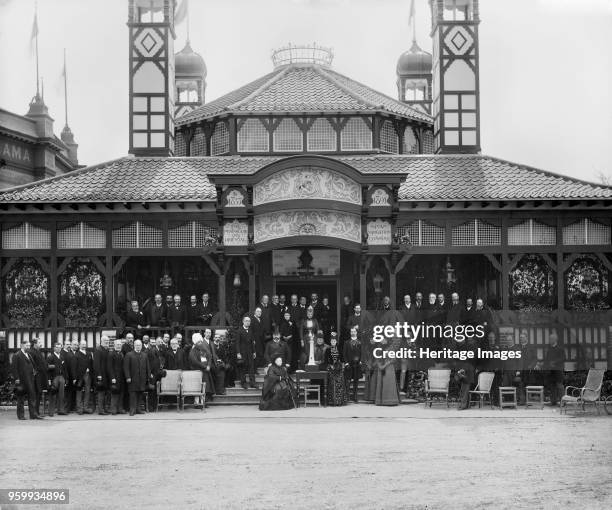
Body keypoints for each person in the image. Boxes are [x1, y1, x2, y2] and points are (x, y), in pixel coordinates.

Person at [11, 338, 41, 420]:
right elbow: (14, 368)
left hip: (30, 380)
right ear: (22, 345)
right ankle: (21, 416)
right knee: (20, 398)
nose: (28, 347)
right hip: (22, 380)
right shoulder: (17, 355)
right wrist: (16, 379)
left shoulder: (29, 354)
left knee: (32, 397)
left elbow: (32, 364)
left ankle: (33, 415)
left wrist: (34, 371)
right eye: (26, 345)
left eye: (29, 345)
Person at [123, 339, 152, 416]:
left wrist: (148, 376)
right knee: (133, 395)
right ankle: (132, 410)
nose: (138, 346)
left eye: (140, 345)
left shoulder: (144, 355)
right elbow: (126, 367)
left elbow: (147, 367)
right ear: (134, 346)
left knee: (140, 394)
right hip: (132, 379)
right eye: (137, 345)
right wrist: (128, 377)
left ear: (141, 346)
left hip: (142, 379)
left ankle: (138, 409)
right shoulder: (129, 355)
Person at [188, 332, 216, 403]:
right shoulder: (192, 351)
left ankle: (204, 401)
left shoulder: (203, 349)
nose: (200, 343)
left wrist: (209, 365)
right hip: (197, 372)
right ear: (195, 342)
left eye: (201, 341)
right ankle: (197, 403)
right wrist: (205, 366)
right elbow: (195, 362)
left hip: (205, 371)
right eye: (198, 342)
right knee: (198, 387)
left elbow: (209, 356)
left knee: (206, 387)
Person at [373, 338, 400, 406]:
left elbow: (394, 359)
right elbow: (377, 358)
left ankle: (390, 401)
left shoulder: (391, 348)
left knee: (388, 383)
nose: (383, 341)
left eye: (384, 340)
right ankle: (381, 401)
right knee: (381, 384)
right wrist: (380, 366)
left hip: (389, 368)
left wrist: (385, 365)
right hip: (381, 367)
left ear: (387, 341)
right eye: (381, 340)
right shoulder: (379, 349)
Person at [72, 339, 94, 414]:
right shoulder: (76, 355)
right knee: (79, 392)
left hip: (88, 375)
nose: (84, 346)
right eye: (82, 344)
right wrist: (75, 378)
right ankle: (79, 408)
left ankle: (86, 407)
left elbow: (91, 364)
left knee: (87, 391)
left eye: (85, 344)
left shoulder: (89, 354)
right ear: (80, 345)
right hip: (79, 376)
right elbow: (74, 367)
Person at [324, 333, 347, 406]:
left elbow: (342, 358)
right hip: (331, 369)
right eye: (332, 341)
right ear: (330, 342)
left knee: (340, 385)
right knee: (332, 384)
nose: (333, 342)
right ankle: (332, 401)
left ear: (336, 341)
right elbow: (325, 360)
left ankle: (339, 401)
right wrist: (330, 365)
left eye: (334, 341)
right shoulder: (327, 350)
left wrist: (342, 366)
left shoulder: (339, 349)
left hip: (339, 369)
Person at [544, 332, 565, 406]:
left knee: (559, 386)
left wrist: (554, 362)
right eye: (549, 339)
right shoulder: (549, 349)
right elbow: (546, 360)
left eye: (551, 339)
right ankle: (553, 401)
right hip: (551, 371)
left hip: (558, 370)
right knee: (552, 386)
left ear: (555, 340)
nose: (550, 340)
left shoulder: (560, 349)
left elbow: (563, 358)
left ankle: (563, 402)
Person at [46, 342, 67, 416]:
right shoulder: (50, 357)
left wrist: (65, 378)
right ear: (54, 348)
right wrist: (49, 380)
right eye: (57, 347)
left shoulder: (62, 357)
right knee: (53, 394)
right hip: (54, 377)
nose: (58, 349)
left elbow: (65, 369)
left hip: (61, 377)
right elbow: (47, 369)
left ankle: (60, 410)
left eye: (60, 347)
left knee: (61, 394)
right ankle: (51, 412)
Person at [236, 316, 257, 390]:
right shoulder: (239, 330)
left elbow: (252, 342)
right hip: (242, 352)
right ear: (243, 321)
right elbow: (237, 343)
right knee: (243, 368)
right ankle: (243, 383)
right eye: (246, 321)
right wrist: (238, 353)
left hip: (250, 352)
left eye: (249, 321)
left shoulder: (250, 330)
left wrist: (254, 351)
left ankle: (252, 383)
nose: (248, 322)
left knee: (251, 368)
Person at [29, 337, 48, 417]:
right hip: (36, 377)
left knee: (39, 393)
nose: (41, 344)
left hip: (41, 376)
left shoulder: (38, 351)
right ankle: (34, 413)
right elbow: (32, 365)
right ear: (34, 344)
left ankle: (37, 412)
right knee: (35, 395)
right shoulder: (31, 352)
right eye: (39, 342)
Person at [92, 335, 110, 415]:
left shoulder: (106, 349)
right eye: (105, 341)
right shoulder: (98, 350)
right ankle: (100, 410)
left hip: (106, 375)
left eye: (107, 341)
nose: (107, 342)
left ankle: (104, 409)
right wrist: (99, 375)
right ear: (101, 341)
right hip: (100, 375)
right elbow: (96, 364)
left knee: (105, 392)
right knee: (101, 393)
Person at [107, 339, 126, 415]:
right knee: (115, 393)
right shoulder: (111, 354)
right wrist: (112, 378)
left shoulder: (121, 354)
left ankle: (120, 409)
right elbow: (109, 367)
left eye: (120, 345)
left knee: (121, 393)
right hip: (115, 377)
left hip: (121, 377)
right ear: (114, 345)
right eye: (117, 345)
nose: (119, 346)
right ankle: (113, 409)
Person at [343, 327, 362, 403]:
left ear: (356, 332)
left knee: (356, 381)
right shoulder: (346, 342)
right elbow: (344, 354)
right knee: (348, 381)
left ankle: (355, 396)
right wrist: (346, 363)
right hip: (349, 364)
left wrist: (361, 361)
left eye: (354, 331)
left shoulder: (360, 342)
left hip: (357, 364)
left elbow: (362, 352)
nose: (353, 332)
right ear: (350, 333)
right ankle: (347, 397)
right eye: (351, 331)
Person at [61, 339, 75, 414]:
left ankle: (69, 408)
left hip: (71, 375)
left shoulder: (70, 353)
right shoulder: (62, 353)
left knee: (70, 392)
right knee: (65, 393)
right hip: (65, 376)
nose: (68, 345)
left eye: (69, 344)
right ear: (63, 345)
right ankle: (65, 409)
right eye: (67, 344)